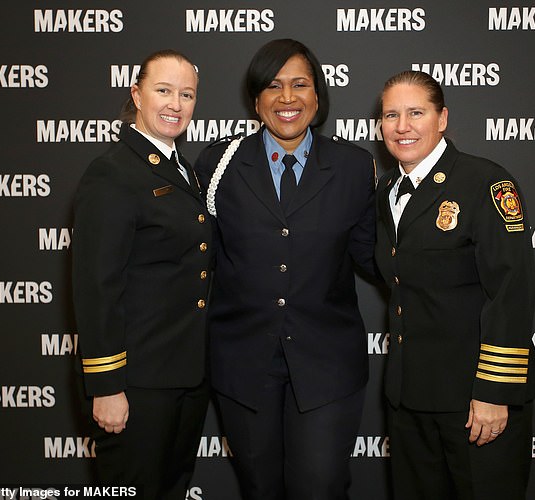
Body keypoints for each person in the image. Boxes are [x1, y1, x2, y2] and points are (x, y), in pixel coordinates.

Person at [194, 39, 376, 500]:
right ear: (256, 100)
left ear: (318, 96)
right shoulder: (219, 163)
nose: (287, 98)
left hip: (327, 361)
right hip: (243, 361)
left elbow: (378, 257)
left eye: (300, 84)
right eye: (273, 86)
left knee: (320, 486)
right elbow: (197, 260)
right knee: (260, 487)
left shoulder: (356, 167)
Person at [375, 70, 535, 500]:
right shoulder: (387, 191)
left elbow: (511, 291)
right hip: (410, 398)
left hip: (474, 401)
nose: (402, 126)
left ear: (442, 118)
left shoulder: (484, 182)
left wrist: (493, 391)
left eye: (416, 112)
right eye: (391, 115)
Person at [72, 49, 212, 499]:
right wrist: (107, 386)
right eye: (163, 91)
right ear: (136, 94)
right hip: (137, 385)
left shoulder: (181, 168)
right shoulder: (112, 173)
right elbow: (97, 286)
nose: (175, 103)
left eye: (186, 94)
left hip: (184, 378)